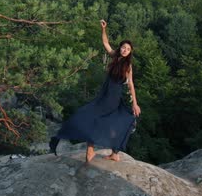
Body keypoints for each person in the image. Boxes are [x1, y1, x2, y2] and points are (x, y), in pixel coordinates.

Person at [49, 20, 141, 162]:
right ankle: (115, 153)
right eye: (123, 47)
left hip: (113, 97)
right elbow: (105, 44)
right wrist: (103, 29)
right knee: (108, 122)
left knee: (92, 117)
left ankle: (91, 150)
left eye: (127, 49)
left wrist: (135, 103)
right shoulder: (115, 56)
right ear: (120, 48)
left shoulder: (128, 66)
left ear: (130, 52)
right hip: (105, 94)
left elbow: (131, 85)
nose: (124, 50)